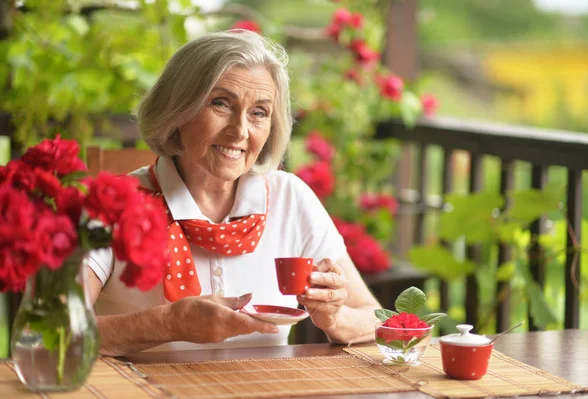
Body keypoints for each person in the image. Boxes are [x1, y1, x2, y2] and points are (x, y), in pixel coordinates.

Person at [87, 30, 381, 356]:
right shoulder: (113, 205)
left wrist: (334, 317)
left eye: (258, 112)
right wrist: (167, 324)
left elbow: (375, 317)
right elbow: (49, 334)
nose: (240, 131)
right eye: (221, 103)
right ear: (177, 110)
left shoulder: (290, 199)